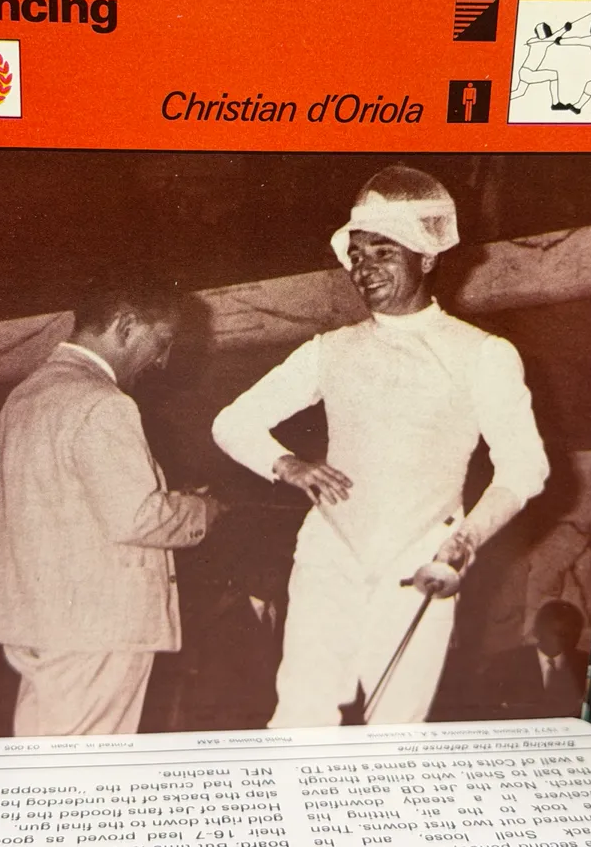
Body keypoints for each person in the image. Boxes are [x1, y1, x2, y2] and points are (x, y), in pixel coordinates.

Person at [212, 165, 550, 727]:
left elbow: (524, 467)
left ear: (427, 257)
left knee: (396, 728)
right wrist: (286, 464)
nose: (364, 269)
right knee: (300, 715)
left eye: (383, 253)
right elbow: (233, 422)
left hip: (422, 557)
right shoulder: (330, 349)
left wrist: (465, 540)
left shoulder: (481, 353)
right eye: (357, 255)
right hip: (330, 552)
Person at [0, 275, 221, 736]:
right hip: (99, 626)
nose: (163, 360)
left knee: (47, 756)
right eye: (162, 341)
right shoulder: (103, 402)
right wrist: (202, 512)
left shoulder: (24, 397)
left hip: (42, 624)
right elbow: (136, 517)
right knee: (89, 764)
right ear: (125, 325)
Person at [481, 600, 589, 718]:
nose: (570, 640)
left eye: (575, 633)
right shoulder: (506, 662)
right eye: (560, 633)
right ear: (537, 632)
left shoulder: (585, 664)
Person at [510, 21, 571, 108]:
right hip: (528, 73)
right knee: (553, 75)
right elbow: (554, 37)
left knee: (519, 92)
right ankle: (555, 103)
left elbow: (550, 38)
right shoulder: (542, 43)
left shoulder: (535, 41)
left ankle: (502, 98)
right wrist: (565, 29)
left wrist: (559, 34)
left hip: (524, 71)